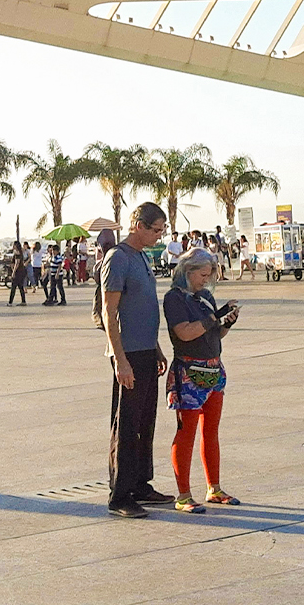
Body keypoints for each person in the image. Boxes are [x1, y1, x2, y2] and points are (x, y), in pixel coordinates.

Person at [100, 201, 172, 519]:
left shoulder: (142, 257)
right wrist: (120, 360)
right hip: (127, 353)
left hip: (145, 352)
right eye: (156, 230)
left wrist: (155, 347)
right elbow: (109, 312)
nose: (159, 236)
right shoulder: (118, 258)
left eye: (162, 231)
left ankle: (141, 484)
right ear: (138, 226)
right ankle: (120, 494)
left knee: (145, 423)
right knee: (127, 425)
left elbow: (142, 308)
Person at [164, 247, 241, 513]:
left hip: (213, 370)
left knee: (211, 431)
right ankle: (183, 494)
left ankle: (214, 487)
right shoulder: (174, 299)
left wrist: (226, 322)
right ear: (187, 272)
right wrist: (213, 319)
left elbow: (215, 334)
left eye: (209, 276)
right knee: (187, 433)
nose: (205, 281)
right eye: (202, 275)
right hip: (188, 373)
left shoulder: (204, 297)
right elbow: (185, 333)